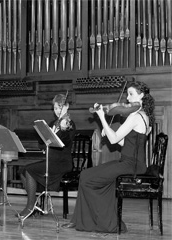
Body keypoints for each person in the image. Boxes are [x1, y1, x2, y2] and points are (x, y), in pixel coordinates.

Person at [61, 81, 155, 233]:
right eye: (127, 94)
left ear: (142, 96)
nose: (127, 98)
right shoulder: (141, 115)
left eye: (131, 94)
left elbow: (113, 140)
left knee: (89, 180)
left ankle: (104, 222)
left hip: (132, 164)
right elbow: (124, 142)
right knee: (85, 174)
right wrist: (109, 129)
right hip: (129, 161)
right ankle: (78, 219)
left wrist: (102, 118)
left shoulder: (136, 116)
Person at [16, 94, 76, 217]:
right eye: (55, 108)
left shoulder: (69, 124)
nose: (58, 111)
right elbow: (42, 145)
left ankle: (30, 207)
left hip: (62, 163)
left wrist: (62, 130)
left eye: (60, 108)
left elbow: (64, 142)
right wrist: (45, 135)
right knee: (22, 171)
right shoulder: (53, 123)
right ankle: (34, 203)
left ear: (67, 107)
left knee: (29, 170)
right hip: (51, 161)